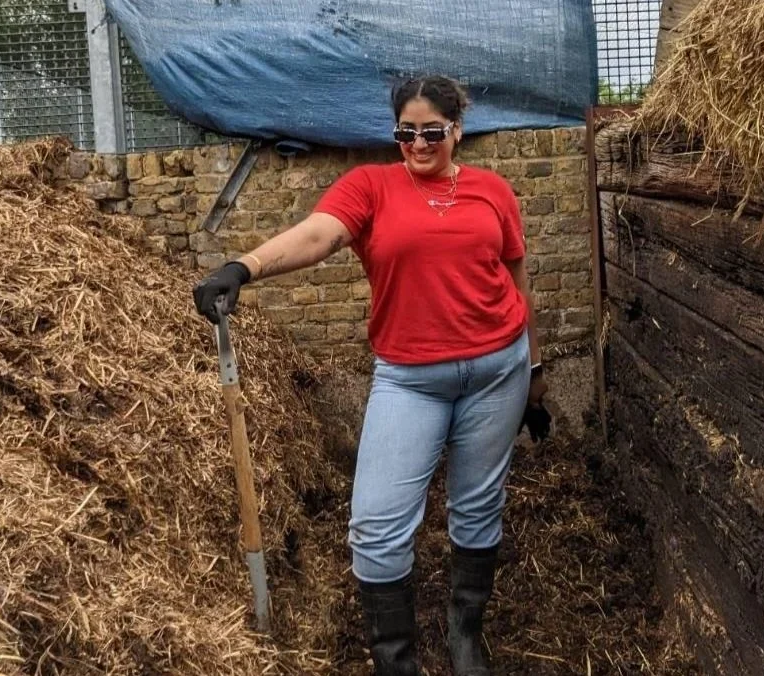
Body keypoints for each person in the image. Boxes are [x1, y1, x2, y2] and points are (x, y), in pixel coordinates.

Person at [192, 75, 552, 675]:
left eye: (431, 132)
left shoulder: (493, 190)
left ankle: (465, 635)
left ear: (457, 130)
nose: (418, 144)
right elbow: (319, 234)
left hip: (498, 371)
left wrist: (535, 374)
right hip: (411, 379)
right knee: (377, 528)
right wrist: (244, 266)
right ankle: (396, 661)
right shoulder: (372, 187)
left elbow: (518, 282)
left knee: (478, 505)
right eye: (406, 132)